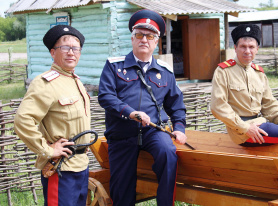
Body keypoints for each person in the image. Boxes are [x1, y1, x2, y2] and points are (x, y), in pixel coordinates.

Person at [98, 9, 187, 206]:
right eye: (139, 35)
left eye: (150, 36)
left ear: (156, 42)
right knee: (121, 187)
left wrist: (179, 128)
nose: (144, 40)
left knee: (168, 154)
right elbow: (105, 96)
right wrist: (130, 112)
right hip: (121, 132)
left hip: (153, 131)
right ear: (132, 39)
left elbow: (176, 105)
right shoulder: (114, 66)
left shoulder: (165, 72)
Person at [14, 25, 91, 206]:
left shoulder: (76, 81)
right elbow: (22, 120)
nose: (71, 52)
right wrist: (48, 150)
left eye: (75, 48)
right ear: (52, 52)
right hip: (61, 168)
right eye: (65, 47)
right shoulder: (45, 83)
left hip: (81, 165)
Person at [211, 24, 278, 146]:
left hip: (259, 125)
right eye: (243, 47)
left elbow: (269, 104)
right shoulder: (223, 71)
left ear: (257, 49)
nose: (247, 51)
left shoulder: (259, 73)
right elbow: (217, 106)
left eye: (251, 47)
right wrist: (245, 128)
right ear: (235, 48)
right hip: (241, 132)